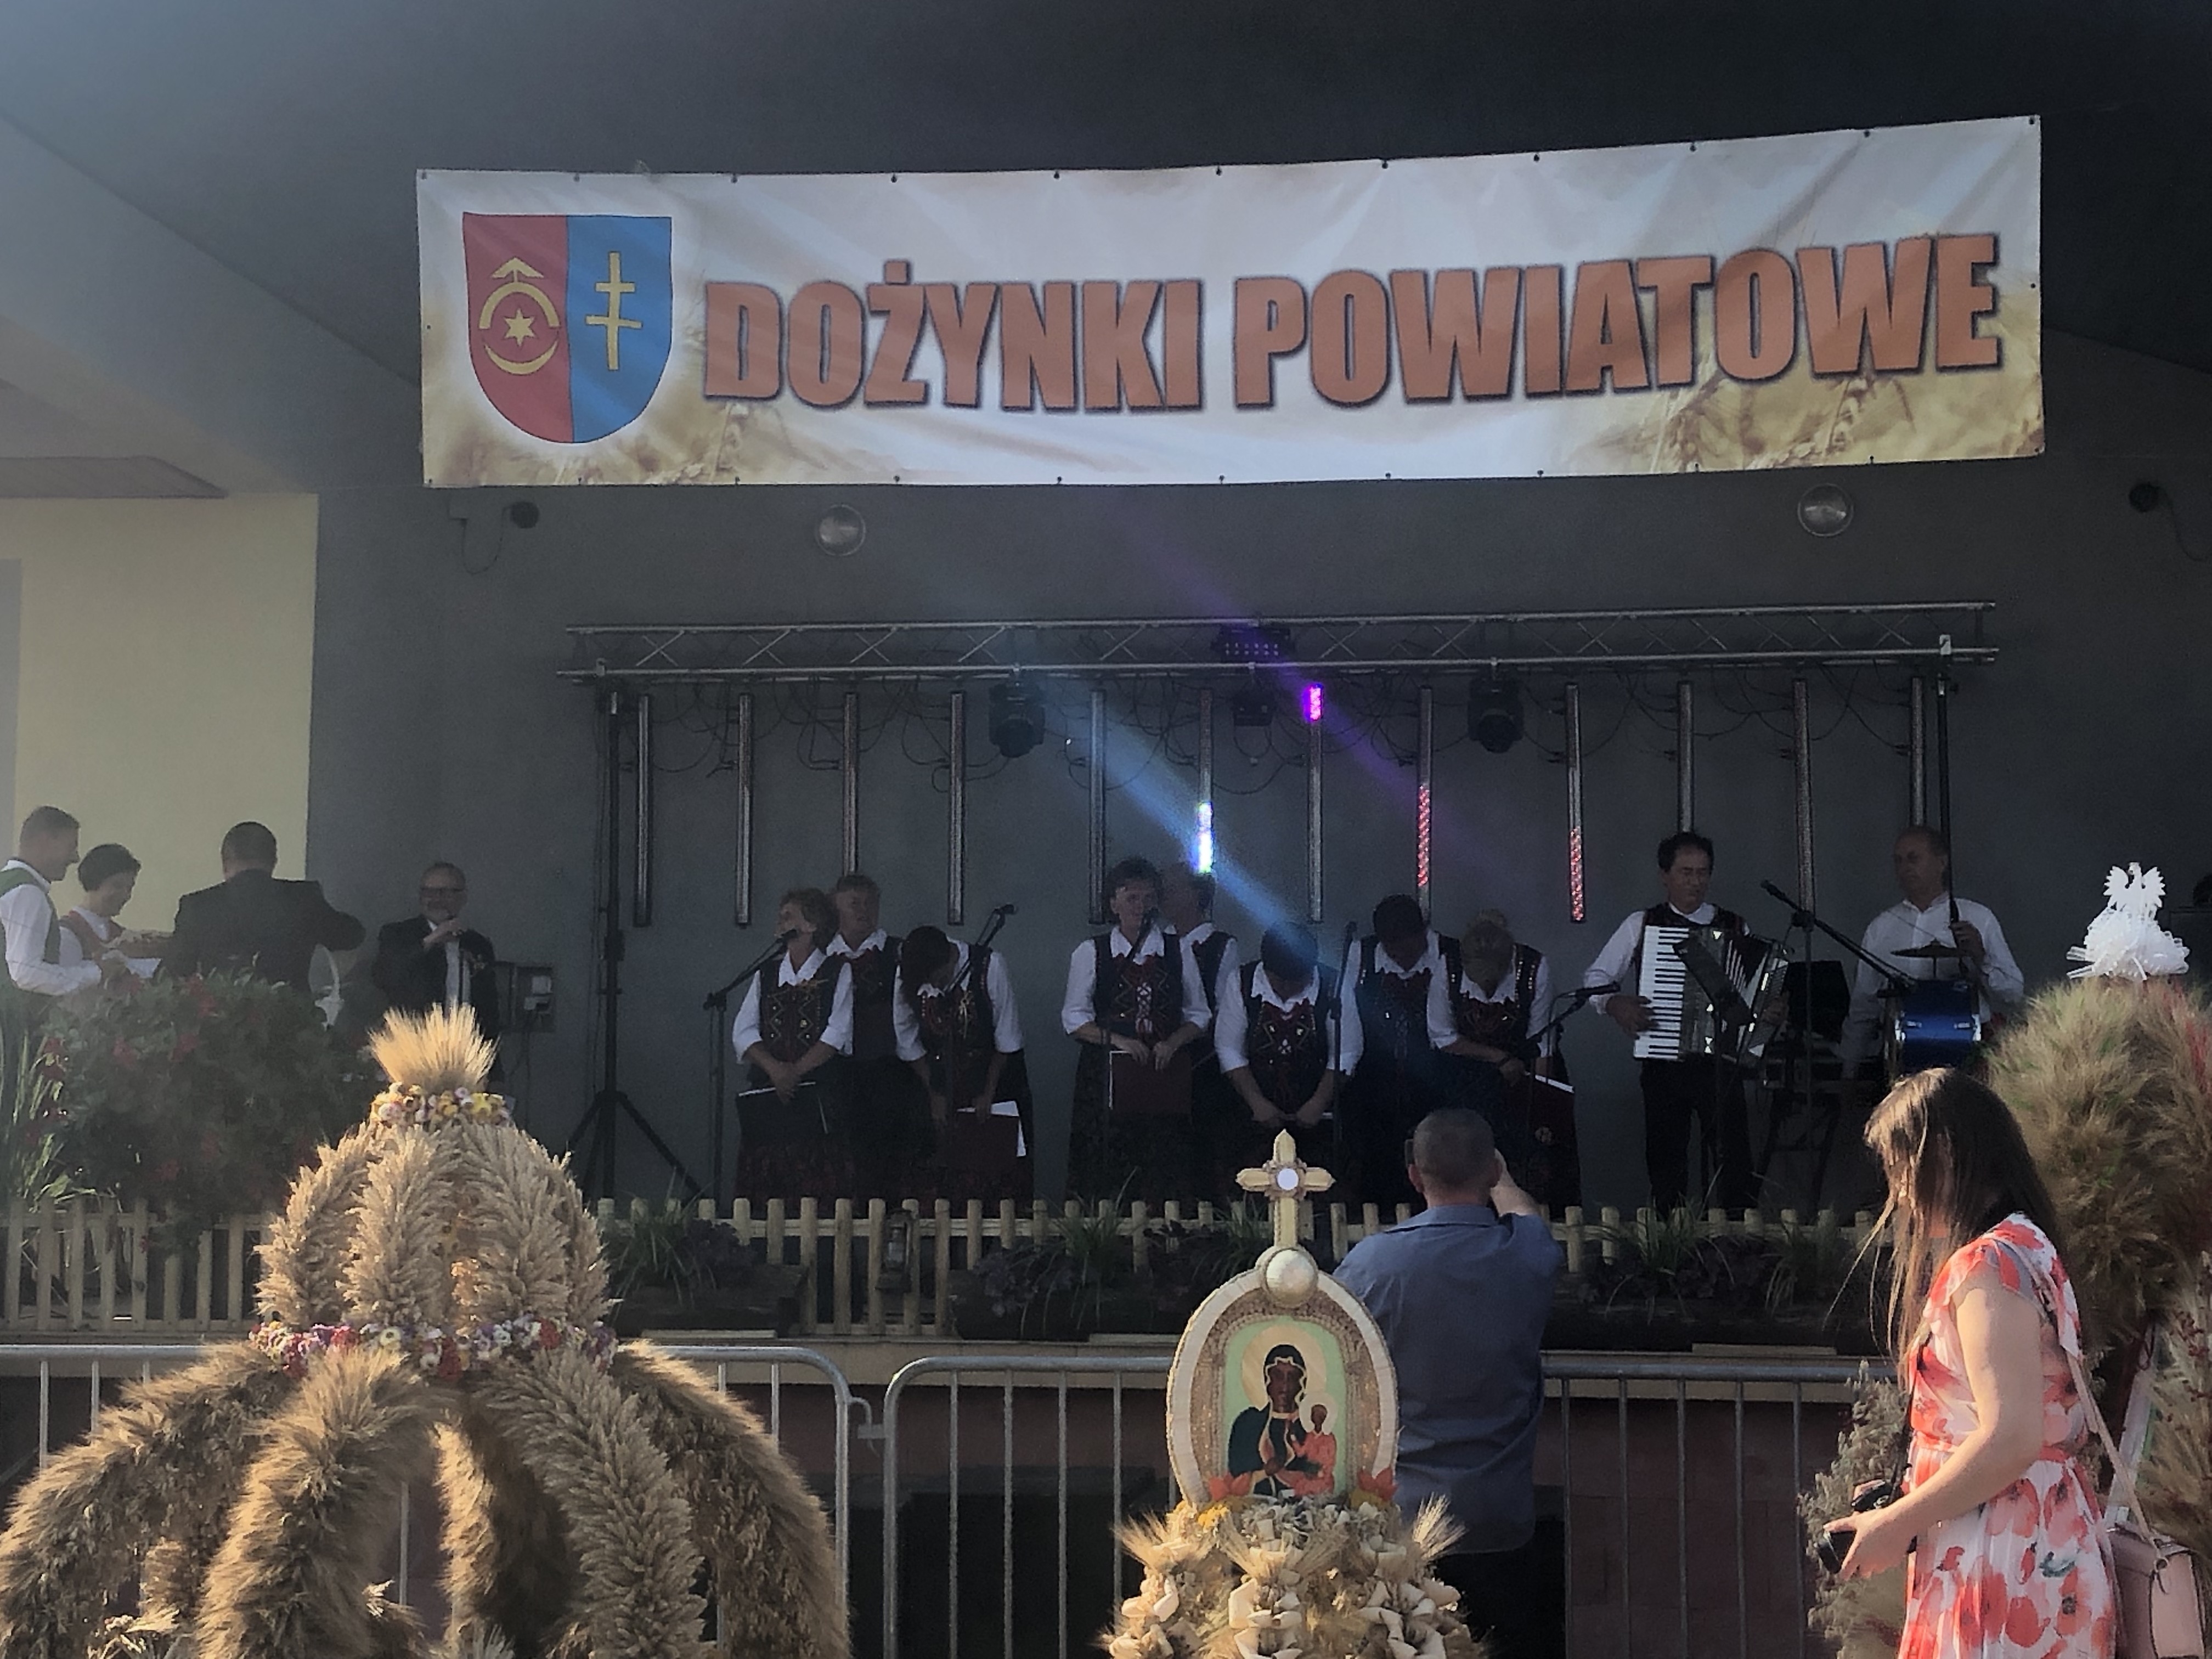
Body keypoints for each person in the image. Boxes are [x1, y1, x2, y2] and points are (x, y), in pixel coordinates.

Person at [1828, 1069, 2115, 1657]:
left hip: (2003, 1553)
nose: (1898, 1193)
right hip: (2037, 1541)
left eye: (1900, 1169)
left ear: (1943, 1155)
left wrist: (1897, 1521)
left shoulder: (1988, 1264)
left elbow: (2010, 1437)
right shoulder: (2028, 1248)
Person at [1335, 1109, 1564, 1659]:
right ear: (1493, 1171)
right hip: (1499, 1518)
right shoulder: (1527, 1256)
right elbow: (1524, 1213)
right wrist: (1500, 1177)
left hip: (1402, 1521)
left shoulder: (1371, 1265)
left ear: (1414, 1176)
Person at [1582, 830, 1758, 1212]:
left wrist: (1765, 1007)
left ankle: (1738, 1239)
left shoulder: (1735, 926)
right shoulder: (1642, 924)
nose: (1696, 882)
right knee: (1666, 1163)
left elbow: (1751, 993)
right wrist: (1614, 1003)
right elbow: (1596, 977)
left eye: (1702, 872)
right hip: (1663, 1064)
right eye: (1686, 872)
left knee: (1735, 1163)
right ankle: (1670, 1238)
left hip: (1721, 1065)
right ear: (1665, 876)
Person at [1060, 855, 1212, 1203]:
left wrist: (1173, 1042)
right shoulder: (1092, 952)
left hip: (1163, 1073)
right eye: (1131, 898)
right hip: (1106, 1077)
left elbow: (1199, 1014)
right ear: (1113, 904)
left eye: (1147, 899)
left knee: (1163, 1161)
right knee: (1107, 1162)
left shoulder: (1178, 950)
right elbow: (1074, 1018)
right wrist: (1118, 1041)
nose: (1140, 907)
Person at [1840, 826, 2027, 1076]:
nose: (1905, 867)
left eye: (1914, 858)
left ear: (1941, 863)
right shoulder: (1881, 928)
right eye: (1898, 861)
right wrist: (1849, 1071)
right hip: (1901, 1059)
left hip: (1971, 1058)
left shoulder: (1978, 917)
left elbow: (2013, 993)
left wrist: (1980, 957)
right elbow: (1864, 1006)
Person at [1443, 911, 1577, 1211]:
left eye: (1492, 982)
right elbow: (1442, 1036)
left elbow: (1543, 1046)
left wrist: (1541, 1109)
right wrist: (1498, 1057)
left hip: (1528, 1077)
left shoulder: (1535, 969)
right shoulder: (1448, 967)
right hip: (1472, 1080)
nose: (1487, 990)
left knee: (1537, 1163)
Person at [730, 888, 856, 1203]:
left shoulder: (837, 971)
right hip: (770, 1095)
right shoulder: (767, 973)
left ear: (812, 926)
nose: (780, 921)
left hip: (817, 1093)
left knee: (817, 1188)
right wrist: (775, 1070)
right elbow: (743, 1031)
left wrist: (795, 1072)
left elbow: (837, 1033)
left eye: (789, 916)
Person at [1214, 922, 1362, 1188]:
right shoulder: (1241, 982)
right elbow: (1229, 1048)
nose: (1289, 988)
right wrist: (1256, 1102)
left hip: (1318, 1120)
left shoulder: (1334, 985)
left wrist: (1318, 1102)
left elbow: (1348, 1050)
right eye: (1281, 983)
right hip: (1253, 1117)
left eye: (1299, 982)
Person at [893, 924, 1033, 1203]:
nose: (935, 986)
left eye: (940, 979)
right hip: (939, 1081)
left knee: (996, 1179)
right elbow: (907, 1041)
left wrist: (988, 1093)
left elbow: (1007, 1039)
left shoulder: (991, 966)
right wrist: (934, 1091)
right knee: (938, 1179)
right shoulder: (908, 971)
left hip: (994, 1080)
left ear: (951, 957)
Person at [1339, 894, 1459, 1215]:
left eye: (1409, 949)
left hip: (1437, 1085)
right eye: (1393, 951)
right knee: (1376, 1162)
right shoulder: (1360, 955)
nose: (1402, 958)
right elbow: (1348, 1019)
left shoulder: (1451, 955)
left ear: (1424, 933)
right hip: (1375, 1084)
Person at [160, 821, 364, 993]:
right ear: (274, 861)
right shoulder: (304, 897)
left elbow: (172, 973)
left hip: (222, 1022)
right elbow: (352, 936)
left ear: (225, 864)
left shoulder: (198, 906)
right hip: (292, 1020)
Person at [824, 872, 928, 1194]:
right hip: (836, 1076)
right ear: (835, 908)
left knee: (889, 1165)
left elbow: (908, 1025)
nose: (864, 911)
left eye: (870, 904)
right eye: (854, 904)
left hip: (888, 1076)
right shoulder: (821, 957)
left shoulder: (898, 953)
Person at [1160, 863, 1242, 1202]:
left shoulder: (1221, 945)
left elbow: (1224, 1005)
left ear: (1196, 895)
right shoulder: (1158, 942)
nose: (1165, 897)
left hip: (1202, 1061)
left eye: (1172, 889)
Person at [369, 862, 501, 1049]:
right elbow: (384, 976)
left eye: (445, 893)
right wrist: (431, 940)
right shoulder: (398, 934)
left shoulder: (478, 944)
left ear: (463, 897)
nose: (436, 900)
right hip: (413, 1046)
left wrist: (492, 1058)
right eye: (428, 892)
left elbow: (489, 1007)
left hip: (465, 1048)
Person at [0, 808, 124, 1003]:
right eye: (71, 846)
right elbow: (26, 973)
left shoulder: (7, 884)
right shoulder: (27, 893)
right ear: (46, 841)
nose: (75, 857)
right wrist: (97, 973)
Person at [1224, 1342, 1335, 1499]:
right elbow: (1235, 1479)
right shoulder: (1247, 1423)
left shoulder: (1311, 1426)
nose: (1285, 1386)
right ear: (1267, 1380)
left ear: (1301, 1383)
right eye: (1277, 1376)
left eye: (1292, 1377)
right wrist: (1265, 1472)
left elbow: (1323, 1471)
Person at [54, 842, 162, 983]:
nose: (126, 895)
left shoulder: (121, 934)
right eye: (117, 886)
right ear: (94, 881)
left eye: (130, 888)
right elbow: (67, 982)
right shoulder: (68, 933)